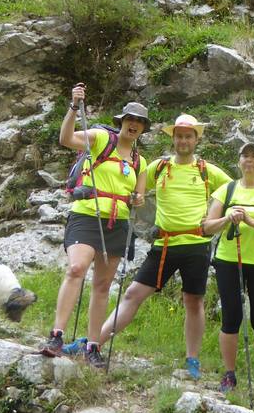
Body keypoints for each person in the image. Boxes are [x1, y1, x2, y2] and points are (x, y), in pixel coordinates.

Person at [97, 114, 231, 379]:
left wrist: (215, 213)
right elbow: (134, 179)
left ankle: (192, 360)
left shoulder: (206, 170)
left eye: (188, 136)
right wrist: (132, 197)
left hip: (196, 244)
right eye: (179, 136)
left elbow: (232, 189)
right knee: (133, 295)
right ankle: (95, 343)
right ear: (174, 138)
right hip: (165, 244)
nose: (183, 140)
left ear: (196, 139)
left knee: (194, 301)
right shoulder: (158, 167)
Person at [41, 84, 148, 369]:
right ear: (122, 121)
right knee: (76, 269)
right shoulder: (101, 138)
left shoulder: (140, 161)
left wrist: (137, 199)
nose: (134, 125)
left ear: (143, 128)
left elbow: (139, 197)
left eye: (139, 122)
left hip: (118, 223)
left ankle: (92, 346)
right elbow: (66, 139)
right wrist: (74, 107)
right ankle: (57, 335)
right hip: (88, 213)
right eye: (130, 119)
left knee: (102, 286)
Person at [202, 142, 254, 399]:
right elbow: (207, 227)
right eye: (245, 156)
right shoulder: (226, 190)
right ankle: (229, 374)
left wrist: (250, 220)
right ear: (239, 162)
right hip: (229, 261)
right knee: (231, 318)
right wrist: (228, 219)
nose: (249, 160)